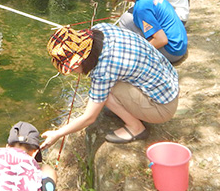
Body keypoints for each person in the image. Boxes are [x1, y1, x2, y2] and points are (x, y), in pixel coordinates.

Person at [41, 25, 179, 145]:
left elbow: (89, 118)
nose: (73, 72)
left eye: (71, 69)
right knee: (102, 92)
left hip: (162, 108)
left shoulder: (103, 71)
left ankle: (136, 128)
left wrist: (57, 134)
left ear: (78, 62)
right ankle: (128, 110)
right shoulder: (101, 29)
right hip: (168, 84)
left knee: (104, 94)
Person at [111, 0, 188, 63]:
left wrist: (137, 54)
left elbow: (161, 40)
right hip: (181, 45)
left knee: (125, 19)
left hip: (173, 52)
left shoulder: (141, 8)